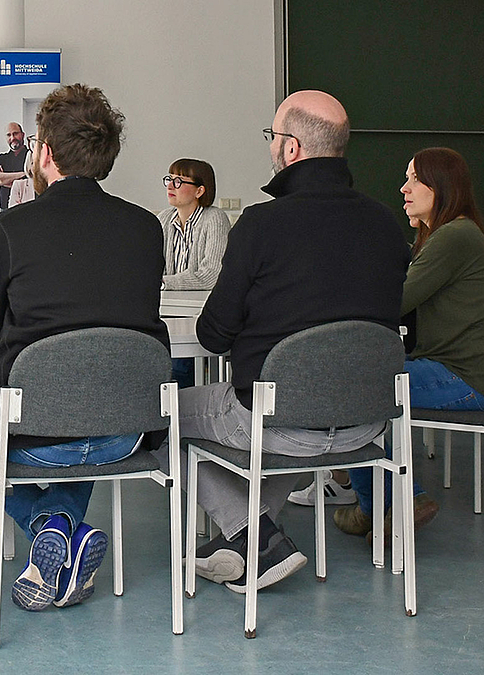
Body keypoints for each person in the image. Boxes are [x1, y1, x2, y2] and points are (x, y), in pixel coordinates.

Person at [152, 90, 410, 594]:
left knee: (155, 415)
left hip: (280, 422)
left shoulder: (262, 224)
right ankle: (241, 543)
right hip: (366, 421)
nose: (271, 146)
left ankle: (254, 535)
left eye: (273, 137)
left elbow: (213, 333)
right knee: (297, 401)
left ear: (291, 148)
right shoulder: (385, 224)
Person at [0, 84, 169, 612]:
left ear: (44, 154)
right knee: (89, 397)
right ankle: (62, 532)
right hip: (127, 430)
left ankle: (47, 523)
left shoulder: (8, 228)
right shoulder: (146, 228)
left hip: (36, 433)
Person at [329, 148, 484, 535]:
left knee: (351, 386)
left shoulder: (454, 236)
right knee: (354, 384)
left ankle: (393, 500)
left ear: (442, 186)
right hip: (452, 369)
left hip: (464, 378)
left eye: (415, 179)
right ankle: (382, 501)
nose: (403, 189)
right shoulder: (444, 236)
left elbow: (395, 301)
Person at [159, 159, 231, 291]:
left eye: (178, 181)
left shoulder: (215, 219)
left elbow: (211, 276)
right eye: (170, 179)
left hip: (201, 305)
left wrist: (163, 283)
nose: (170, 186)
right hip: (167, 302)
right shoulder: (164, 218)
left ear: (199, 191)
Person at [0, 122, 30, 209]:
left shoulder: (31, 156)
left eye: (15, 134)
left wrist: (5, 180)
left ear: (22, 135)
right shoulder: (2, 159)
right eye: (8, 135)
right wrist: (25, 174)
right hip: (5, 209)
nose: (12, 138)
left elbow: (33, 182)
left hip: (26, 208)